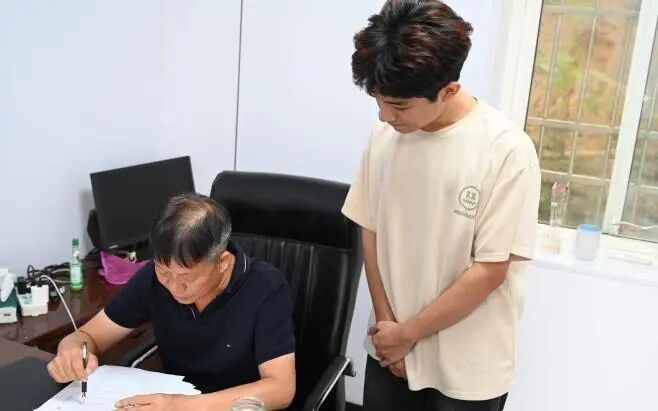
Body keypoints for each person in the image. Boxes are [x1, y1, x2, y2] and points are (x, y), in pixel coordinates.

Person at [342, 1, 541, 410]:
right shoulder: (385, 137)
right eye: (378, 100)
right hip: (389, 346)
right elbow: (370, 228)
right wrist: (388, 328)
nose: (384, 116)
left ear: (449, 90)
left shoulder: (506, 150)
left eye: (399, 105)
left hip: (466, 368)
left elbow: (489, 271)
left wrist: (409, 334)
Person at [47, 194, 296, 410]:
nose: (175, 288)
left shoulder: (265, 287)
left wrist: (182, 406)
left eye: (187, 277)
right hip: (173, 399)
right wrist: (71, 350)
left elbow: (282, 388)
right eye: (164, 272)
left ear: (223, 262)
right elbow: (89, 336)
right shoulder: (152, 279)